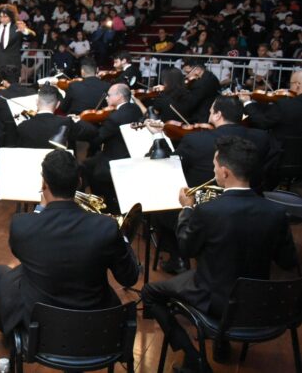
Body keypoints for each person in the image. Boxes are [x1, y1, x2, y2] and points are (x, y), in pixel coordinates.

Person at [142, 137, 297, 372]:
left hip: (216, 300)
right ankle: (221, 343)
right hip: (260, 302)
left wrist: (186, 209)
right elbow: (287, 261)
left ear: (224, 173)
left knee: (150, 293)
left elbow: (186, 249)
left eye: (214, 165)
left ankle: (193, 358)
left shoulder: (207, 212)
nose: (213, 169)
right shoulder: (276, 213)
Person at [0, 150, 138, 336]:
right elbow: (129, 278)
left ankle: (9, 333)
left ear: (44, 184)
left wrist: (39, 211)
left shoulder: (21, 225)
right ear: (79, 182)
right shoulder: (107, 227)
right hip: (97, 326)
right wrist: (122, 237)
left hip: (41, 327)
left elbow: (23, 253)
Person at [145, 96, 275, 273]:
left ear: (218, 115)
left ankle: (179, 258)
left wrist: (158, 135)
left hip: (205, 209)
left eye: (211, 110)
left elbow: (171, 166)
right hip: (251, 204)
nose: (209, 113)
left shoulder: (196, 140)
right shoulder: (261, 138)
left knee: (161, 210)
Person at [81, 83, 141, 213]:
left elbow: (98, 139)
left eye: (108, 95)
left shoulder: (114, 117)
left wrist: (88, 125)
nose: (106, 98)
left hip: (114, 159)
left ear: (119, 96)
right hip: (131, 155)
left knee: (84, 166)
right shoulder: (135, 109)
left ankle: (103, 203)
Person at [17, 84, 94, 149]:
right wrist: (77, 120)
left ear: (37, 102)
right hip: (59, 165)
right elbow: (92, 131)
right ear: (57, 105)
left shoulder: (23, 126)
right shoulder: (66, 122)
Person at [241, 70, 302, 144]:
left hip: (282, 152)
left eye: (291, 83)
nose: (289, 87)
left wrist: (247, 102)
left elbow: (262, 123)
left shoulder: (284, 105)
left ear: (298, 84)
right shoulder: (285, 104)